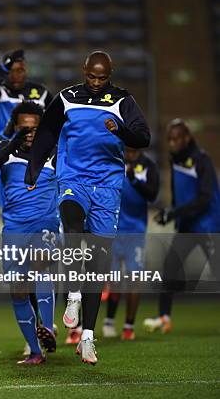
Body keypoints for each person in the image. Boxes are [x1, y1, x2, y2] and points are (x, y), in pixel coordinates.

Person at [25, 51, 150, 365]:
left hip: (107, 187)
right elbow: (48, 132)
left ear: (110, 74)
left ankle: (88, 337)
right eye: (91, 77)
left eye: (102, 78)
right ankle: (73, 295)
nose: (96, 83)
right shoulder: (67, 98)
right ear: (84, 71)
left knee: (98, 264)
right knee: (72, 225)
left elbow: (143, 137)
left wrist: (119, 130)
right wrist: (33, 170)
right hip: (73, 179)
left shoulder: (122, 101)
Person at [0, 101, 59, 365]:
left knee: (41, 267)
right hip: (14, 228)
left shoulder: (54, 152)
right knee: (18, 290)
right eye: (24, 128)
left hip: (45, 224)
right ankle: (36, 351)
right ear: (15, 126)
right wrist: (12, 142)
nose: (29, 133)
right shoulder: (6, 149)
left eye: (34, 128)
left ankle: (47, 326)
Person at [144, 119, 220, 333]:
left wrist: (175, 212)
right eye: (170, 139)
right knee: (169, 267)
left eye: (177, 138)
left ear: (186, 138)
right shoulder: (174, 159)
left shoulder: (201, 160)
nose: (173, 143)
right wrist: (171, 215)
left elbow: (205, 198)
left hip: (208, 226)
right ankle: (164, 318)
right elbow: (179, 196)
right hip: (187, 225)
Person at [0, 49, 53, 209]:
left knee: (40, 204)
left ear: (26, 70)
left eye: (20, 70)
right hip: (5, 154)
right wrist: (1, 70)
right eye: (11, 71)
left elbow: (56, 120)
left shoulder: (41, 93)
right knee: (9, 205)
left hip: (36, 156)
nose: (15, 75)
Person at [103, 147, 159, 341]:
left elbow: (153, 194)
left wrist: (133, 178)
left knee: (134, 280)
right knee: (114, 280)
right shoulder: (113, 160)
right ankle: (109, 321)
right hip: (113, 230)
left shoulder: (148, 166)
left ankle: (128, 326)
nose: (130, 151)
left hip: (135, 233)